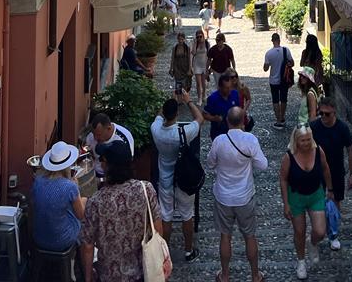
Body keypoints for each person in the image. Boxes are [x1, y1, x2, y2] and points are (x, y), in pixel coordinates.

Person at [80, 140, 162, 282]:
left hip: (109, 275)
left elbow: (87, 245)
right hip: (142, 272)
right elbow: (157, 229)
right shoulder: (146, 190)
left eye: (103, 160)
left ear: (108, 166)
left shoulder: (95, 202)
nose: (101, 162)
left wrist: (87, 277)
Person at [207, 107, 268, 282]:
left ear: (227, 121)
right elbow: (263, 165)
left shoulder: (219, 141)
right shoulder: (250, 140)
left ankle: (225, 275)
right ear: (244, 121)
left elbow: (210, 163)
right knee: (249, 235)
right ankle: (255, 275)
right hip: (245, 197)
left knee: (225, 236)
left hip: (223, 197)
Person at [150, 92, 204, 264]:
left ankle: (165, 255)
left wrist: (169, 100)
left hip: (165, 181)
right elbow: (199, 118)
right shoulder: (183, 132)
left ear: (164, 113)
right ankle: (188, 251)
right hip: (184, 180)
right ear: (177, 114)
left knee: (166, 216)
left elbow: (158, 116)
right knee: (187, 215)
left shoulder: (156, 130)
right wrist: (188, 101)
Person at [279, 125, 333, 280]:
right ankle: (301, 261)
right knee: (299, 232)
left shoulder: (318, 151)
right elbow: (283, 179)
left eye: (309, 139)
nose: (306, 143)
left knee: (320, 231)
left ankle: (312, 243)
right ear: (296, 141)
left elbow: (325, 169)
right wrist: (286, 203)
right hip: (296, 197)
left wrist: (330, 189)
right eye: (303, 140)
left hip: (315, 194)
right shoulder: (289, 157)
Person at [310, 96, 352, 250]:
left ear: (334, 112)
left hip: (336, 171)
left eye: (327, 114)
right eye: (321, 113)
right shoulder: (314, 127)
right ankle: (319, 229)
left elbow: (350, 150)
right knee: (316, 203)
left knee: (335, 204)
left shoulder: (342, 128)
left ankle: (333, 234)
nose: (323, 117)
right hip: (317, 172)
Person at [31, 141, 86, 252]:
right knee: (85, 202)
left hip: (39, 238)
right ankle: (82, 262)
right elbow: (81, 215)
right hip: (62, 240)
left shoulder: (38, 181)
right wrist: (78, 192)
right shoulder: (70, 186)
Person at [86, 113, 135, 182]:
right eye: (94, 134)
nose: (95, 138)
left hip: (117, 178)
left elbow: (127, 164)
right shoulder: (90, 137)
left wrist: (104, 180)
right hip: (95, 175)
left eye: (99, 135)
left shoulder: (123, 137)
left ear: (109, 128)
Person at [264, 32, 294, 129]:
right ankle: (282, 118)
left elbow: (265, 68)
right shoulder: (286, 50)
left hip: (273, 80)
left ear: (272, 41)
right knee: (284, 99)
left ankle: (278, 120)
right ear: (279, 40)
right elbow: (292, 63)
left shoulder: (268, 53)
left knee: (275, 100)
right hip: (284, 79)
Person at [203, 71, 241, 139]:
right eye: (226, 88)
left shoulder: (235, 94)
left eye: (230, 87)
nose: (229, 90)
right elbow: (205, 114)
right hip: (218, 133)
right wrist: (214, 118)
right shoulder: (213, 98)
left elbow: (239, 109)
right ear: (220, 87)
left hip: (233, 132)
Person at [191, 29, 210, 102]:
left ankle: (204, 95)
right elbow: (193, 53)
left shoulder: (207, 43)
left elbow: (209, 55)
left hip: (204, 65)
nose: (199, 38)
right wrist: (195, 43)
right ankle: (199, 98)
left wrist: (208, 67)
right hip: (197, 65)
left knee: (203, 83)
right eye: (197, 37)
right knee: (198, 83)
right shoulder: (196, 44)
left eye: (200, 36)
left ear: (203, 36)